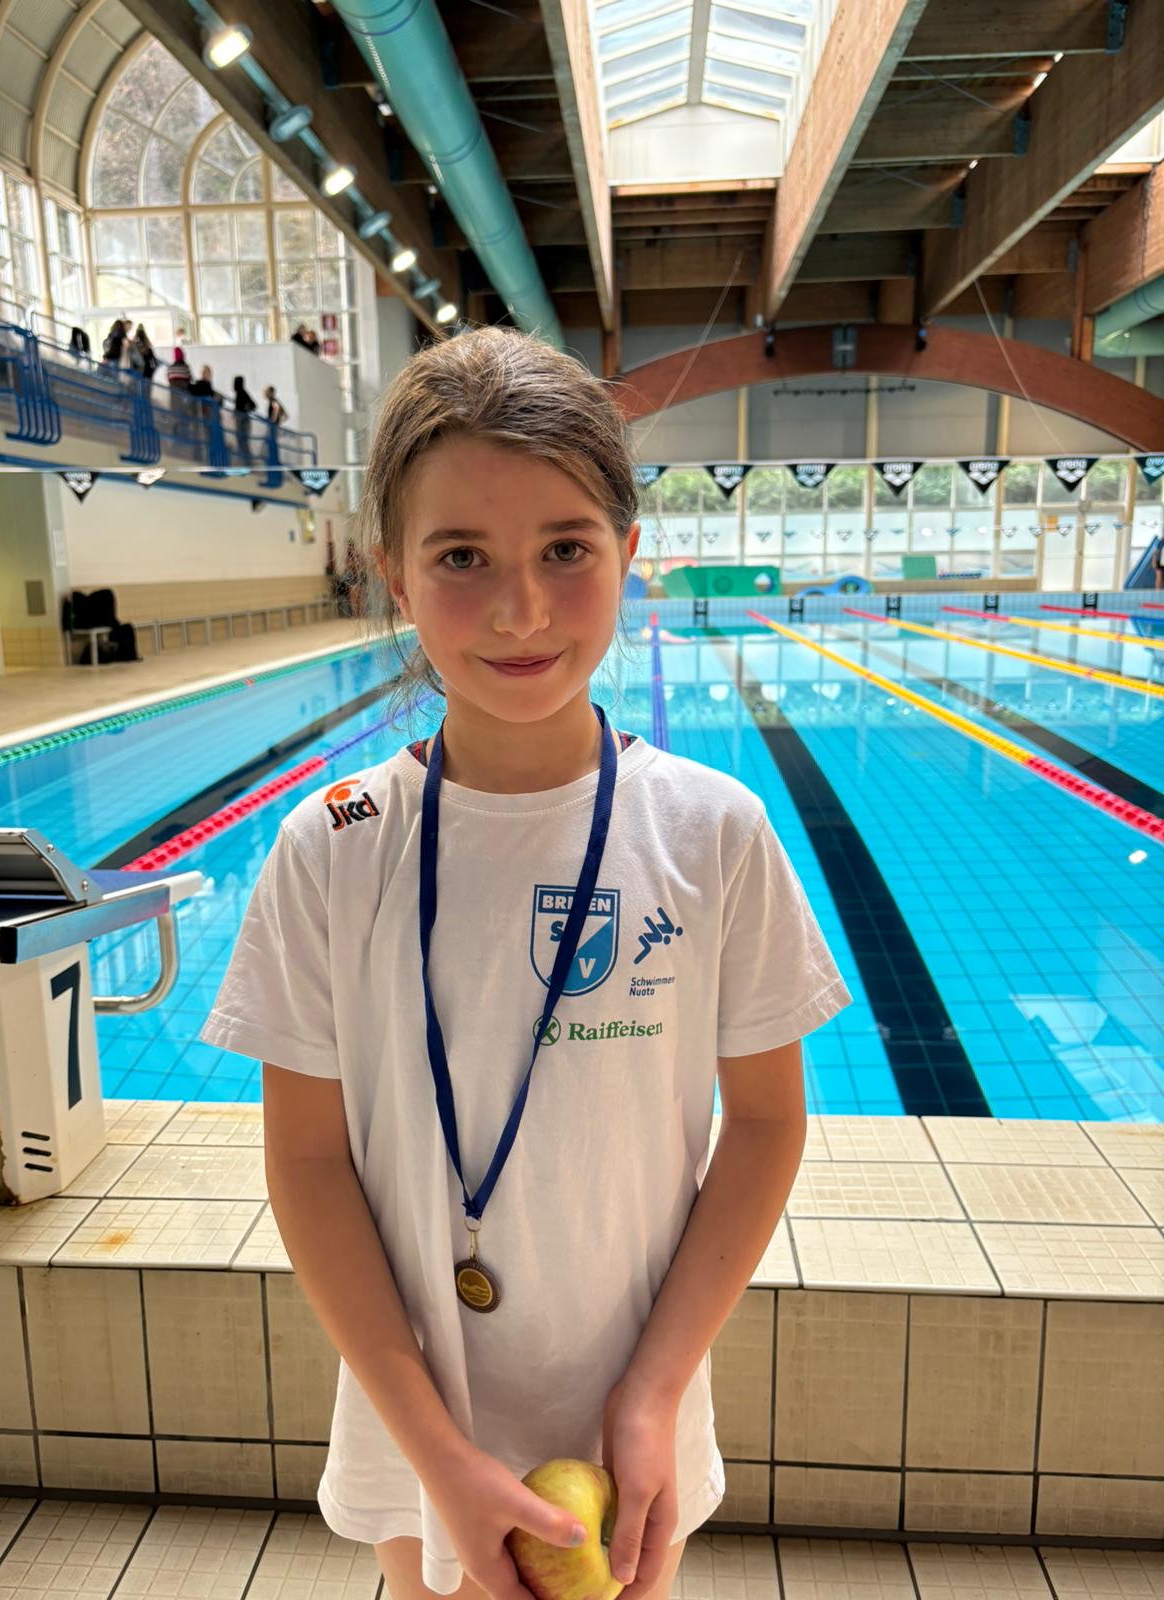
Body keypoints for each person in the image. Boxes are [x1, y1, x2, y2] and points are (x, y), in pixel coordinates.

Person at [200, 327, 851, 1600]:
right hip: (417, 1423)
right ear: (394, 575)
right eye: (462, 557)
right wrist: (440, 1454)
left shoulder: (711, 832)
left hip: (636, 1419)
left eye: (566, 548)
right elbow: (309, 1161)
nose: (521, 610)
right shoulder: (333, 849)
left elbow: (770, 1123)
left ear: (628, 551)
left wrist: (652, 1391)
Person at [232, 375, 256, 462]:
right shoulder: (241, 393)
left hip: (242, 418)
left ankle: (247, 459)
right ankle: (246, 459)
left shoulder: (241, 393)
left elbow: (253, 405)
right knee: (242, 439)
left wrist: (244, 410)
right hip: (242, 417)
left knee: (242, 439)